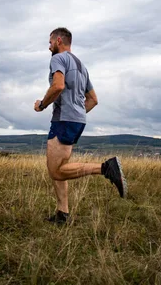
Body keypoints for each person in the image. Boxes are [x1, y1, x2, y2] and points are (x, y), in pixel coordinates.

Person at [34, 27, 127, 224]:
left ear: (59, 40)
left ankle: (105, 168)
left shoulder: (58, 59)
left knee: (55, 171)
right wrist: (77, 113)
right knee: (59, 168)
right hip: (76, 120)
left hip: (64, 120)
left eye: (50, 42)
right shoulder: (81, 66)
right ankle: (62, 214)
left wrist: (42, 105)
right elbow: (93, 99)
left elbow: (58, 86)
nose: (48, 46)